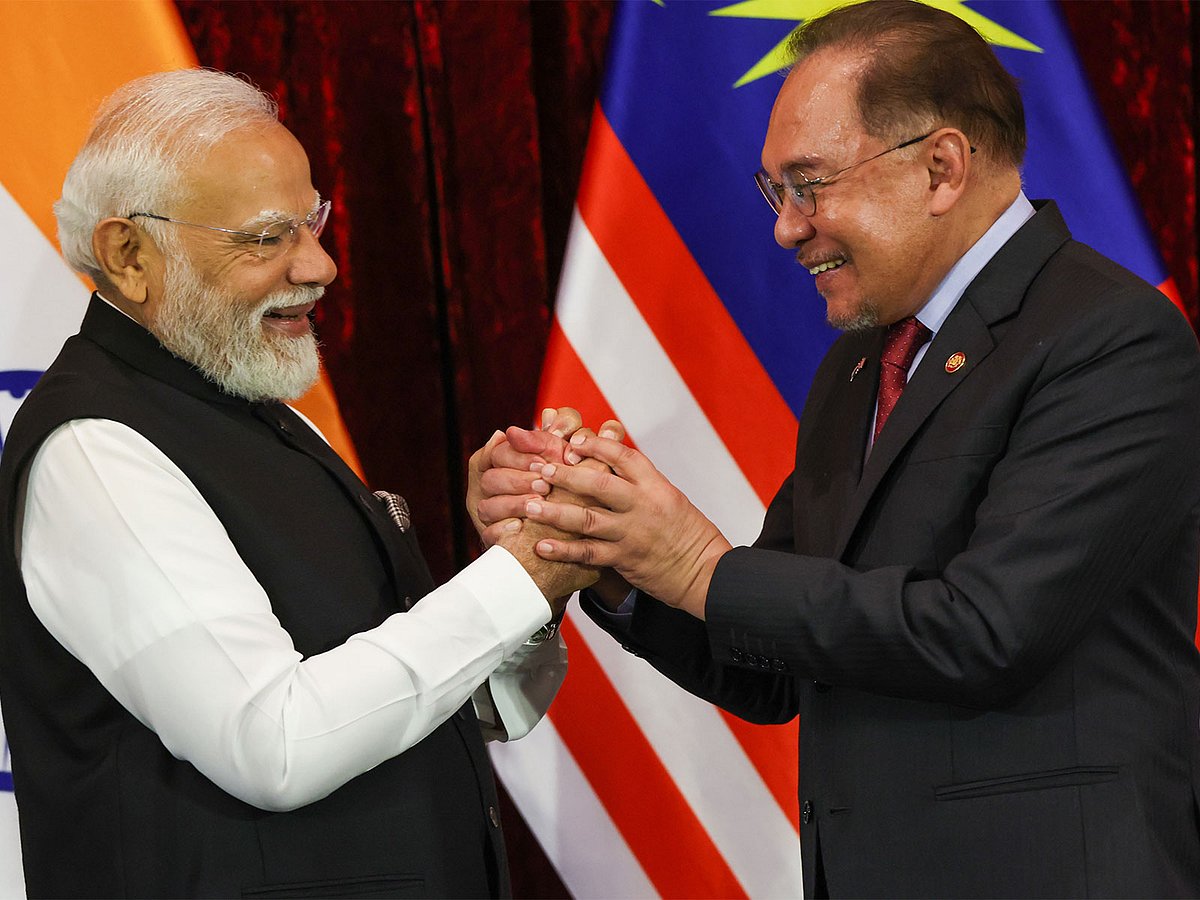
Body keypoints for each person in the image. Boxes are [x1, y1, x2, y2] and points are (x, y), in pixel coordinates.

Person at [474, 2, 1200, 896]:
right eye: (776, 191)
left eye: (809, 185)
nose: (786, 227)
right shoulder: (860, 367)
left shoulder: (1112, 336)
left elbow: (984, 631)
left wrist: (698, 563)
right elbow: (775, 666)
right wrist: (611, 551)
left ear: (940, 168)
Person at [0, 68, 597, 899]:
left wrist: (533, 559)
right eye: (265, 238)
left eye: (312, 222)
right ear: (129, 256)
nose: (321, 265)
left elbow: (460, 709)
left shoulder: (255, 408)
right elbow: (274, 745)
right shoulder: (96, 452)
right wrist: (517, 580)